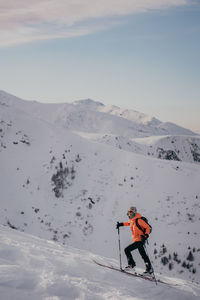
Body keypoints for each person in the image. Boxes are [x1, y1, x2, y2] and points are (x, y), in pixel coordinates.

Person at [116, 206, 153, 274]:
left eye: (130, 212)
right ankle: (149, 269)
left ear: (134, 212)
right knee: (143, 254)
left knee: (127, 250)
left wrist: (146, 235)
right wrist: (120, 224)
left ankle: (131, 265)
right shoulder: (132, 220)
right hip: (137, 240)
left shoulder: (138, 220)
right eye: (128, 212)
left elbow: (147, 227)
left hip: (140, 240)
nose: (129, 213)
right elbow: (128, 223)